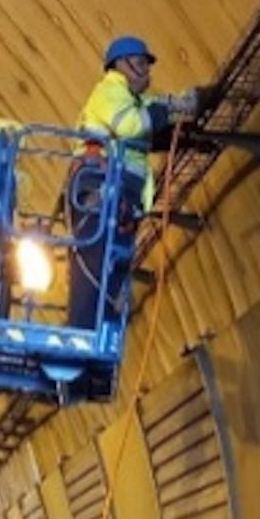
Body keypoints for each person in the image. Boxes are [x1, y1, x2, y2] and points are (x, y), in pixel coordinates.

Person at [67, 35, 198, 328]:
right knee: (96, 267)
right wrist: (174, 108)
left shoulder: (134, 99)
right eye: (140, 64)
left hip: (120, 199)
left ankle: (98, 333)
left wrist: (187, 111)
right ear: (120, 66)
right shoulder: (109, 92)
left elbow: (154, 112)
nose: (147, 72)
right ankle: (84, 332)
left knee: (112, 270)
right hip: (99, 191)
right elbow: (132, 125)